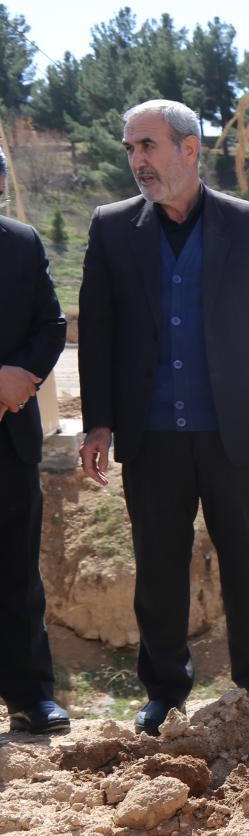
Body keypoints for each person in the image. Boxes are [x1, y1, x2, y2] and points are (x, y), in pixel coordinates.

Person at [77, 100, 249, 736]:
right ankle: (164, 691)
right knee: (158, 565)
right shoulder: (111, 228)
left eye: (148, 147)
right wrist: (98, 423)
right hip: (150, 435)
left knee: (247, 558)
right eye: (130, 150)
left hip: (231, 430)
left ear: (189, 150)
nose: (137, 162)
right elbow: (96, 334)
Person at [0, 146, 70, 734]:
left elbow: (51, 325)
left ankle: (30, 696)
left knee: (19, 573)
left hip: (10, 437)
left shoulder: (21, 242)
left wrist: (13, 383)